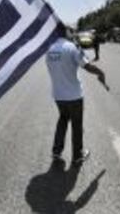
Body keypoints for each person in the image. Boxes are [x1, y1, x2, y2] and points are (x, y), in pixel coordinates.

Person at [46, 24, 107, 166]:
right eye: (71, 31)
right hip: (73, 95)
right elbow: (86, 66)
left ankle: (56, 150)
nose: (73, 33)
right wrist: (100, 72)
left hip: (58, 95)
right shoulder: (71, 47)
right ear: (66, 32)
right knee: (76, 125)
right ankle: (78, 155)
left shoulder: (49, 50)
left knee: (62, 119)